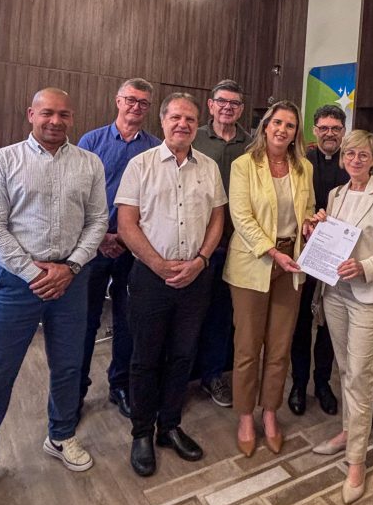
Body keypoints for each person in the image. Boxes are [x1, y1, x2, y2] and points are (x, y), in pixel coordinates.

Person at [0, 88, 107, 505]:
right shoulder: (1, 161)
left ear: (72, 118)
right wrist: (34, 273)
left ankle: (61, 435)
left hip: (72, 281)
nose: (55, 121)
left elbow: (98, 220)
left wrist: (71, 267)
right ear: (31, 114)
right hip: (18, 282)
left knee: (68, 366)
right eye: (47, 113)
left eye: (63, 114)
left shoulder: (89, 163)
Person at [116, 93, 226, 477]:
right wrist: (158, 264)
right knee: (145, 358)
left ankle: (170, 426)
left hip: (195, 277)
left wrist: (201, 260)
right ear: (162, 121)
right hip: (150, 278)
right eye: (176, 117)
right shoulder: (140, 165)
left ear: (198, 125)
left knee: (182, 355)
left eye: (190, 119)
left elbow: (217, 219)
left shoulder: (209, 167)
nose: (183, 124)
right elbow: (126, 223)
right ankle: (142, 433)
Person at [312, 130, 373, 505]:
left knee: (360, 375)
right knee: (345, 370)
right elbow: (332, 240)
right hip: (335, 293)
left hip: (369, 296)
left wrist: (365, 266)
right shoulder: (335, 195)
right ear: (343, 158)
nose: (355, 160)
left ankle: (357, 461)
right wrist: (317, 228)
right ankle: (348, 433)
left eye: (363, 155)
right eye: (349, 154)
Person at [223, 100, 314, 458]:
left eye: (290, 125)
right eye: (277, 122)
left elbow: (307, 209)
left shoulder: (304, 167)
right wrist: (273, 252)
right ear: (265, 126)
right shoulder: (244, 165)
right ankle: (246, 416)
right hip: (253, 263)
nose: (282, 130)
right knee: (248, 347)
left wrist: (312, 222)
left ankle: (270, 412)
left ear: (295, 133)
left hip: (292, 265)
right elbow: (241, 217)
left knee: (280, 346)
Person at [77, 78, 161, 420]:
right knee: (86, 321)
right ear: (118, 101)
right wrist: (101, 238)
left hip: (133, 248)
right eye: (130, 100)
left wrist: (124, 239)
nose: (136, 107)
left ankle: (120, 386)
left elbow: (154, 203)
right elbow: (78, 195)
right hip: (92, 247)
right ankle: (76, 390)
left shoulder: (155, 148)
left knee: (128, 322)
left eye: (143, 102)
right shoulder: (91, 142)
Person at [192, 80, 251, 408]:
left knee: (221, 314)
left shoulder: (252, 143)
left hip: (238, 244)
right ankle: (184, 372)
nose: (228, 107)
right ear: (211, 105)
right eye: (222, 101)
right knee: (191, 311)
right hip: (197, 243)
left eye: (234, 103)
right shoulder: (194, 137)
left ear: (241, 109)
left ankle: (213, 374)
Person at [288, 104, 349, 417]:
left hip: (336, 256)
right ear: (314, 130)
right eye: (323, 128)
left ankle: (322, 382)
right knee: (300, 321)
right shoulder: (301, 162)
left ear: (343, 131)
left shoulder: (351, 162)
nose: (329, 134)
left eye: (335, 129)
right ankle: (298, 383)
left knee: (329, 323)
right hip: (303, 253)